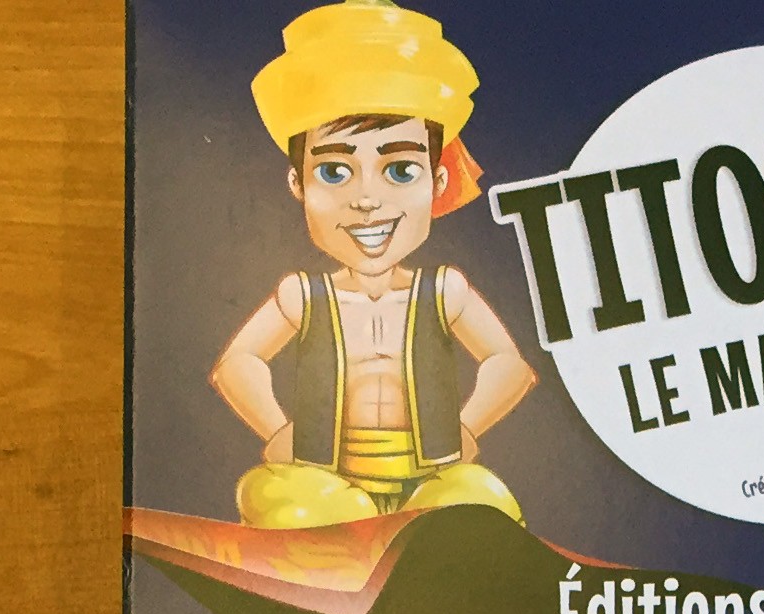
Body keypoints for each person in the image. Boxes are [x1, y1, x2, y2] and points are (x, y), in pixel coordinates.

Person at [212, 3, 536, 529]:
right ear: (298, 184)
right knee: (272, 494)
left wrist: (469, 427)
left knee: (483, 501)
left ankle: (402, 532)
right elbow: (238, 361)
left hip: (429, 479)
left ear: (436, 182)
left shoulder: (444, 290)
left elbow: (508, 363)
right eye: (335, 172)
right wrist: (276, 430)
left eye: (400, 170)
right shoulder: (302, 295)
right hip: (326, 484)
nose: (367, 199)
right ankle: (359, 531)